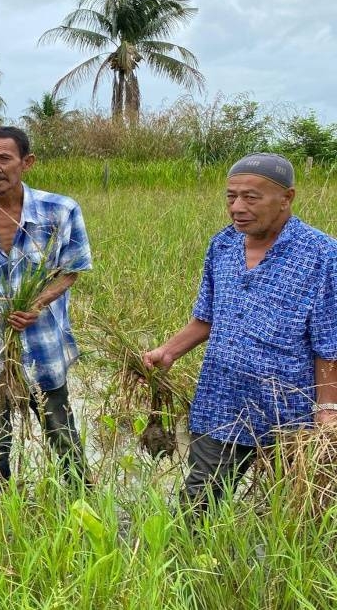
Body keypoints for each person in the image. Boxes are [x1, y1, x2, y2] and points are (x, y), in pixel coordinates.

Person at [143, 153, 337, 512]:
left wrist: (327, 410)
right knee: (199, 500)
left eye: (251, 197)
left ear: (287, 197)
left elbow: (329, 343)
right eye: (231, 196)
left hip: (290, 410)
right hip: (222, 400)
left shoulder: (322, 254)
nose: (237, 207)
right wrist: (168, 351)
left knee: (295, 507)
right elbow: (207, 318)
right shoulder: (223, 245)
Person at [0, 126, 92, 487]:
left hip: (43, 346)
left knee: (61, 433)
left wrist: (37, 303)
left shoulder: (61, 210)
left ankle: (82, 496)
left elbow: (72, 270)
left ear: (27, 162)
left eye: (3, 158)